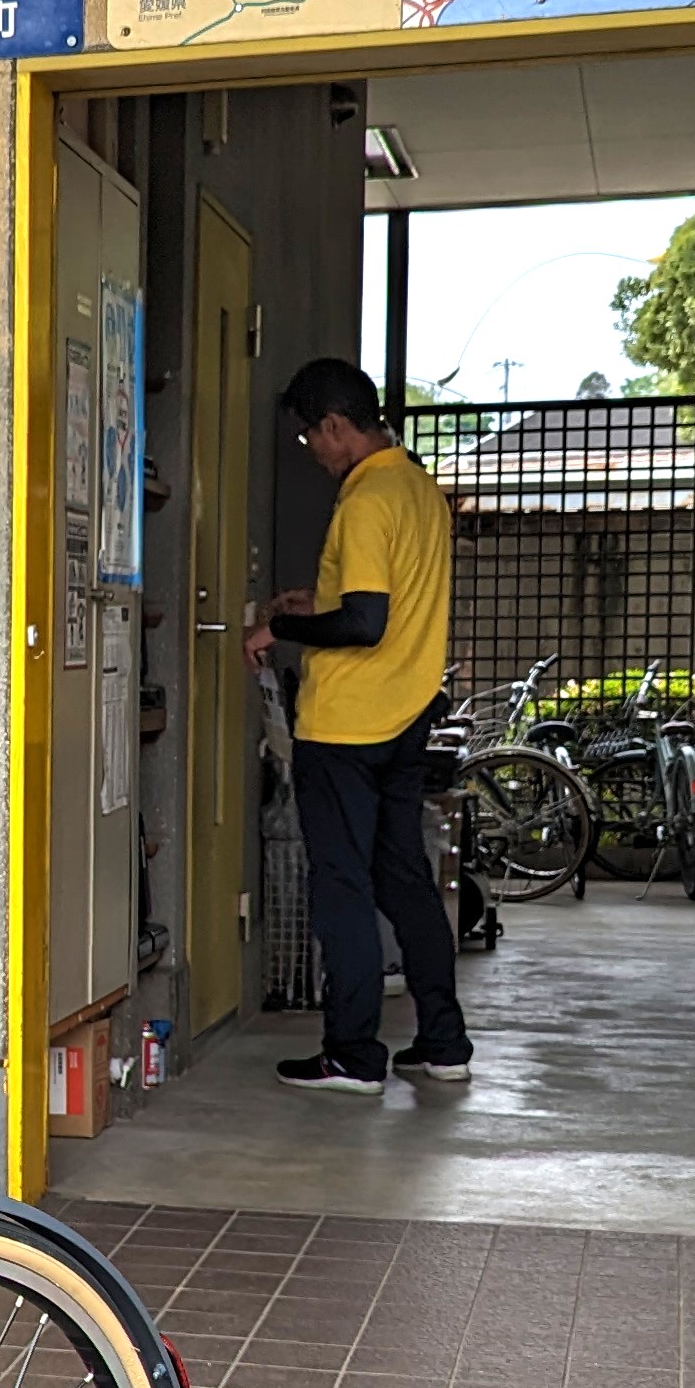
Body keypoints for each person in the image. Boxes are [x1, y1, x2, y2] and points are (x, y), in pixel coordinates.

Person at [243, 357, 471, 1092]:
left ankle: (353, 1054)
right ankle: (443, 1044)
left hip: (347, 728)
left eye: (312, 438)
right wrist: (315, 601)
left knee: (340, 885)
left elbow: (366, 623)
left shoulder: (367, 499)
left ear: (337, 425)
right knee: (403, 879)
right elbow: (383, 600)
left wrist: (283, 633)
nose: (313, 452)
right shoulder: (419, 488)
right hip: (405, 715)